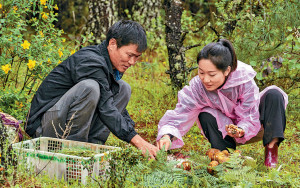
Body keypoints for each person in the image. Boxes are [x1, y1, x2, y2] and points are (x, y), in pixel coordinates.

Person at [26, 20, 159, 159]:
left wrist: (133, 132)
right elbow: (106, 107)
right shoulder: (91, 61)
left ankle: (92, 147)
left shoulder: (110, 65)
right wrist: (137, 141)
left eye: (136, 57)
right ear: (112, 44)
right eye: (129, 55)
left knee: (124, 88)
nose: (132, 62)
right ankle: (73, 152)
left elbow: (110, 103)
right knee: (90, 88)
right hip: (44, 128)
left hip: (63, 119)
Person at [156, 39, 288, 168]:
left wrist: (241, 130)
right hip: (223, 130)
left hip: (256, 125)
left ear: (226, 71)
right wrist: (167, 135)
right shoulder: (198, 87)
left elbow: (250, 114)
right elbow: (181, 112)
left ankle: (271, 152)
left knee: (274, 95)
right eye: (201, 72)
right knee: (204, 113)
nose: (205, 79)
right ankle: (225, 156)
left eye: (212, 75)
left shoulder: (243, 80)